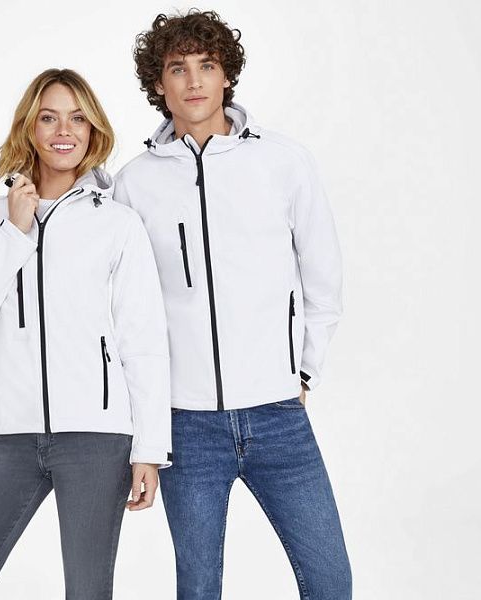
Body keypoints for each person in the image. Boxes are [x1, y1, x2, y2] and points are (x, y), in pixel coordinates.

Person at [113, 10, 352, 600]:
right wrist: (145, 426)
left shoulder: (283, 161)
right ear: (159, 83)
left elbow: (323, 278)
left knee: (329, 580)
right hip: (186, 425)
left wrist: (303, 371)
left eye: (207, 65)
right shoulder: (134, 183)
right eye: (178, 68)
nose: (194, 80)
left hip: (277, 414)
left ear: (226, 76)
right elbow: (126, 311)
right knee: (198, 587)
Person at [0, 68, 172, 600]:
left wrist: (150, 449)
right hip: (11, 437)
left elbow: (144, 341)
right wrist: (14, 231)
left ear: (93, 130)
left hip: (96, 439)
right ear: (30, 128)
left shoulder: (117, 224)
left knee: (87, 593)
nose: (65, 130)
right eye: (49, 117)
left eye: (78, 118)